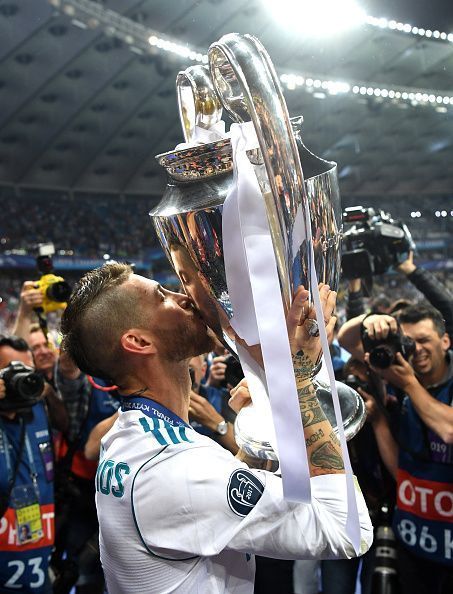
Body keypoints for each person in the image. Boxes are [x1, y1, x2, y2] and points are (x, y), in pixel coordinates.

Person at [60, 262, 372, 594]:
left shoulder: (133, 436)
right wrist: (296, 380)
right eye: (162, 295)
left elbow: (211, 496)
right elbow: (347, 530)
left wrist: (270, 400)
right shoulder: (173, 468)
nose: (185, 298)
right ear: (138, 341)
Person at [338, 304, 453, 593]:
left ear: (446, 340)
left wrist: (410, 384)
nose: (419, 349)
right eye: (410, 342)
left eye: (425, 340)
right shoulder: (401, 373)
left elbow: (449, 431)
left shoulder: (406, 380)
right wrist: (372, 320)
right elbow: (346, 339)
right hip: (411, 543)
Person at [0, 336, 57, 593]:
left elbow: (67, 423)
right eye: (11, 373)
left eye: (26, 371)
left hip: (36, 565)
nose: (20, 380)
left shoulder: (38, 411)